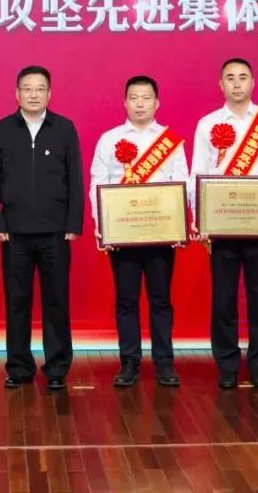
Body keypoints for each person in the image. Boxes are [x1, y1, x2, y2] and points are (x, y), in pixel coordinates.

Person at [190, 58, 258, 389]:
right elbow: (197, 175)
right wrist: (200, 218)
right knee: (224, 300)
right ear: (221, 84)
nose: (237, 83)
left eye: (243, 77)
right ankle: (227, 365)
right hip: (221, 228)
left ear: (253, 82)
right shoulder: (207, 124)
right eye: (230, 78)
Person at [0, 65, 84, 390]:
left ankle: (57, 368)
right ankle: (19, 367)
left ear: (49, 94)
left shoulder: (64, 128)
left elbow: (76, 178)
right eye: (27, 88)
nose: (33, 94)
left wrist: (74, 223)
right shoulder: (2, 129)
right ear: (17, 93)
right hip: (14, 232)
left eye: (40, 89)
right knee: (17, 302)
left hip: (55, 231)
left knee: (57, 301)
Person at [89, 75, 188, 387]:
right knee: (126, 300)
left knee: (161, 300)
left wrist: (178, 225)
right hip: (123, 236)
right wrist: (103, 227)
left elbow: (182, 185)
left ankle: (164, 363)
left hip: (161, 235)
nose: (140, 104)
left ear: (157, 103)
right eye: (134, 98)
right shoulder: (109, 139)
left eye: (146, 98)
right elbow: (97, 184)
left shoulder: (171, 141)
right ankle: (129, 362)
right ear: (125, 102)